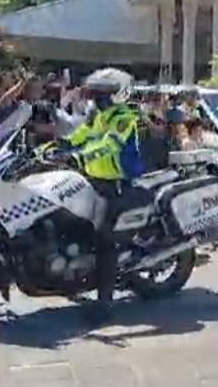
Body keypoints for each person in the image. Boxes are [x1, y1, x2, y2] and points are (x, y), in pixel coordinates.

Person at [50, 68, 146, 323]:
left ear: (118, 95)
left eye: (104, 94)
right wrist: (58, 145)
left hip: (115, 185)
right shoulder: (100, 116)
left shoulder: (125, 117)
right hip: (92, 182)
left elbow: (109, 144)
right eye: (97, 94)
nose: (98, 99)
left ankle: (105, 303)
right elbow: (81, 134)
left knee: (104, 239)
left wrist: (78, 156)